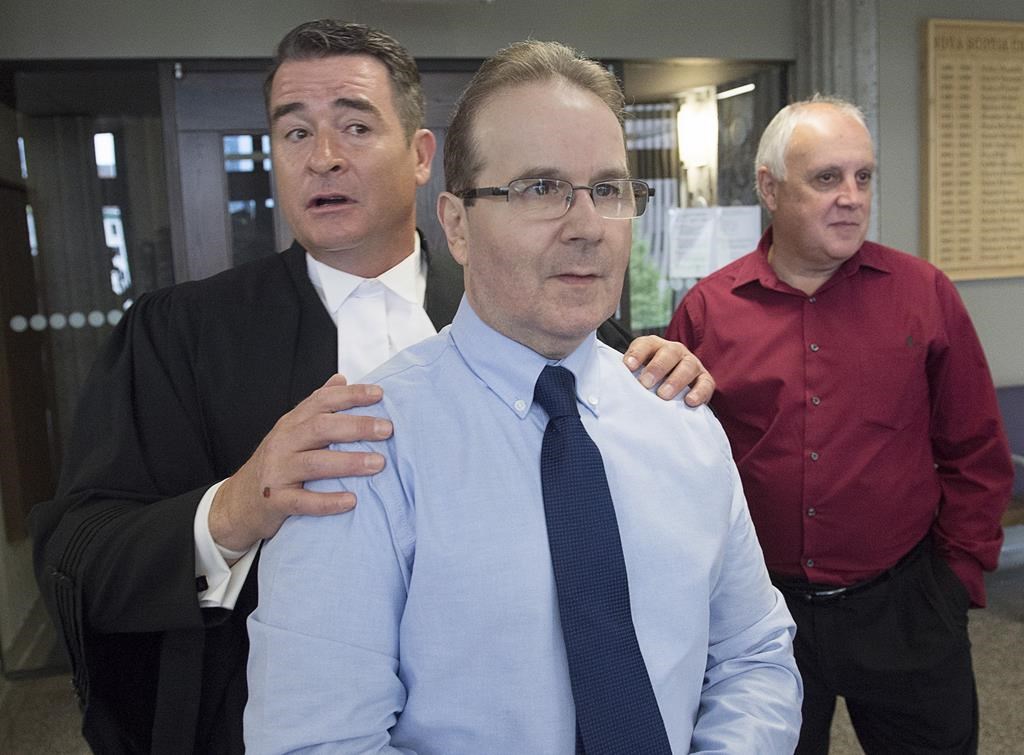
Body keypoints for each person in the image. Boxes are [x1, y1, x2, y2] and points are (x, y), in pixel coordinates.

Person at [28, 21, 713, 755]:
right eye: (295, 134)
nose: (323, 158)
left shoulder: (531, 303)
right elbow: (77, 551)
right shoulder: (180, 335)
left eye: (355, 126)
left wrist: (663, 377)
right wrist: (230, 509)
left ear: (422, 158)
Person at [245, 39, 802, 754]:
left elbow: (753, 655)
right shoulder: (361, 445)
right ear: (455, 225)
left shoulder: (681, 419)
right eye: (539, 188)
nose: (585, 225)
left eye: (608, 189)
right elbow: (315, 740)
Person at [666, 95, 1014, 754]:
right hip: (761, 616)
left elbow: (974, 450)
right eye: (827, 178)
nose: (852, 196)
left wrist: (955, 579)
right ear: (770, 188)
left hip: (906, 602)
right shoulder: (709, 311)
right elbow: (682, 470)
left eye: (863, 177)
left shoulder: (923, 293)